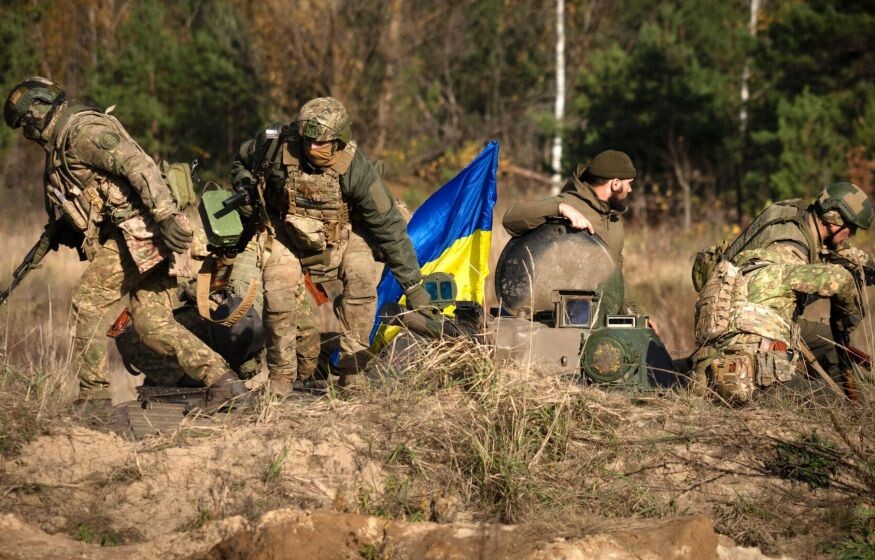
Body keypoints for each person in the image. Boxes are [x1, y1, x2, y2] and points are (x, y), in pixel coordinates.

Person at [3, 76, 247, 407]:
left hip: (141, 233)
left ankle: (94, 398)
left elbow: (139, 166)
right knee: (151, 324)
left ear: (37, 112)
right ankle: (223, 382)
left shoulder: (80, 132)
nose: (26, 134)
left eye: (24, 124)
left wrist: (164, 216)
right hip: (145, 235)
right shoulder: (62, 143)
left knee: (86, 304)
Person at [230, 96, 429, 394]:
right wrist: (245, 184)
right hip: (287, 231)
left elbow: (390, 227)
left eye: (321, 143)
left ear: (339, 140)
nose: (312, 148)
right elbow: (239, 163)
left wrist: (414, 288)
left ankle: (352, 370)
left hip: (344, 235)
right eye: (307, 141)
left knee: (362, 278)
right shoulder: (274, 144)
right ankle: (282, 376)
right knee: (278, 289)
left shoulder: (356, 169)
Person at [691, 182, 872, 402]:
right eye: (851, 227)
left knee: (828, 344)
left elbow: (838, 252)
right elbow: (838, 280)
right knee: (834, 403)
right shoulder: (789, 250)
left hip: (734, 320)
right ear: (834, 220)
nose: (852, 234)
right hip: (752, 348)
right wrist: (847, 321)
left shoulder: (794, 216)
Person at [115, 237, 321, 389]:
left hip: (225, 330)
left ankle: (201, 383)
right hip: (250, 356)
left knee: (131, 337)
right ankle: (212, 379)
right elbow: (305, 327)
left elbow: (205, 294)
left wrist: (186, 288)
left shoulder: (226, 241)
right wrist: (304, 377)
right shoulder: (288, 255)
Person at [503, 149, 636, 266]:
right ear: (616, 183)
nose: (630, 190)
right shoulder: (568, 204)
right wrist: (560, 208)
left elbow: (615, 275)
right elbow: (510, 219)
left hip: (604, 295)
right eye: (629, 184)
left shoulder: (614, 219)